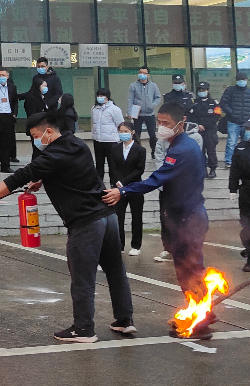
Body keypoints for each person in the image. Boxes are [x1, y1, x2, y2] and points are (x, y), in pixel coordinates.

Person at [0, 110, 135, 343]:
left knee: (82, 277)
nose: (36, 141)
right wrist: (44, 179)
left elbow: (20, 176)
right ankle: (125, 320)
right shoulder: (78, 144)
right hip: (108, 217)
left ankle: (83, 329)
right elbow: (69, 170)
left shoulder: (51, 155)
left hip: (86, 222)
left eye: (36, 136)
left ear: (49, 131)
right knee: (116, 272)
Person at [103, 102, 209, 328]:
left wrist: (123, 191)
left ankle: (200, 323)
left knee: (188, 270)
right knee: (190, 268)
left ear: (180, 123)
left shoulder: (181, 149)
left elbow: (156, 180)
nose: (161, 127)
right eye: (159, 122)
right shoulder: (182, 144)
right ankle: (202, 313)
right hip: (186, 215)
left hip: (188, 218)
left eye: (166, 123)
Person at [107, 121, 147, 254]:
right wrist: (117, 183)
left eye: (126, 131)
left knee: (137, 217)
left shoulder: (140, 150)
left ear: (132, 132)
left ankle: (136, 246)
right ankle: (120, 245)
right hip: (118, 189)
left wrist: (124, 181)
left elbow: (139, 170)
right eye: (121, 131)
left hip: (135, 187)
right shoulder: (115, 149)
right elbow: (112, 167)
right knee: (118, 217)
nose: (123, 134)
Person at [228, 120, 250, 272]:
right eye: (248, 128)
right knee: (246, 226)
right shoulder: (241, 147)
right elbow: (234, 169)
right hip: (246, 190)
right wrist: (233, 189)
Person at [128, 66, 161, 160]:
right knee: (136, 134)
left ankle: (154, 151)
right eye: (140, 72)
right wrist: (130, 111)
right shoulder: (133, 86)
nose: (142, 74)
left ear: (148, 75)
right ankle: (136, 152)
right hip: (137, 113)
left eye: (144, 73)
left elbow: (158, 97)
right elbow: (130, 99)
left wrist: (153, 105)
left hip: (150, 113)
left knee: (152, 134)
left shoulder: (153, 85)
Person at [189, 81, 221, 179]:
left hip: (210, 130)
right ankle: (203, 170)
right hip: (198, 130)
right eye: (200, 90)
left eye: (203, 90)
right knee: (200, 151)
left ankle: (213, 169)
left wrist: (205, 125)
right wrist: (198, 125)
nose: (201, 92)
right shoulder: (194, 103)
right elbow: (191, 116)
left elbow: (217, 117)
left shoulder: (214, 103)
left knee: (211, 151)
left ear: (208, 90)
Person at [91, 88, 124, 182]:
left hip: (111, 141)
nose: (100, 98)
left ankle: (114, 183)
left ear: (107, 97)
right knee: (99, 164)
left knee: (112, 164)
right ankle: (99, 183)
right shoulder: (94, 109)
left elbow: (120, 124)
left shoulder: (114, 109)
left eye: (102, 96)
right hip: (98, 140)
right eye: (98, 96)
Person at [220, 71, 250, 166]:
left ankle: (245, 161)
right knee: (231, 142)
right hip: (233, 121)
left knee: (247, 143)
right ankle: (229, 161)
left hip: (247, 123)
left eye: (243, 79)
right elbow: (223, 103)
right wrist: (232, 113)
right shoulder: (230, 90)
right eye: (239, 79)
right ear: (236, 80)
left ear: (247, 80)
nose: (241, 81)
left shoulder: (249, 91)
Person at [23, 79, 48, 159]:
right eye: (44, 86)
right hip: (36, 127)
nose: (46, 88)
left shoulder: (42, 97)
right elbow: (32, 114)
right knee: (37, 149)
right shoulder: (31, 98)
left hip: (43, 126)